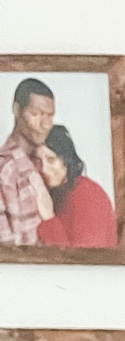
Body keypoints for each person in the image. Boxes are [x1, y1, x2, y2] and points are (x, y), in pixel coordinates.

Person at [35, 126, 116, 250]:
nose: (44, 169)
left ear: (66, 160)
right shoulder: (52, 194)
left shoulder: (88, 195)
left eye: (51, 160)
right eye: (38, 162)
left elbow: (83, 261)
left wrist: (49, 217)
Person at [0, 78, 55, 246]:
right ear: (16, 110)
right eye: (36, 114)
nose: (46, 124)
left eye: (50, 116)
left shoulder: (49, 163)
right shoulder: (6, 170)